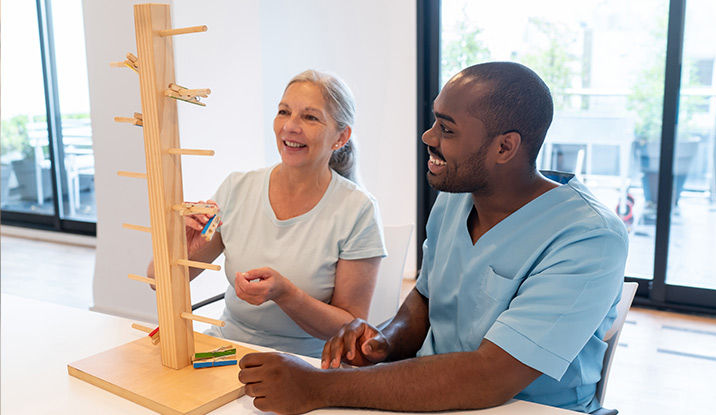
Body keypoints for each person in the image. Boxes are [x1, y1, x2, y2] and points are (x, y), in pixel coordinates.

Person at [236, 62, 628, 414]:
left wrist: (317, 387)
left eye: (447, 129)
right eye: (434, 121)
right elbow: (425, 298)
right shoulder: (454, 201)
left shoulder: (589, 237)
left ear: (505, 147)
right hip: (429, 393)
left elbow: (490, 376)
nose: (427, 136)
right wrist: (385, 341)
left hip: (528, 406)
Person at [148, 70, 387, 358]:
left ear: (341, 136)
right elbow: (156, 282)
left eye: (310, 117)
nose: (290, 126)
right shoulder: (237, 187)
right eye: (284, 112)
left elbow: (352, 327)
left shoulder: (358, 210)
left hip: (307, 365)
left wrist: (287, 294)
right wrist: (179, 244)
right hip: (226, 351)